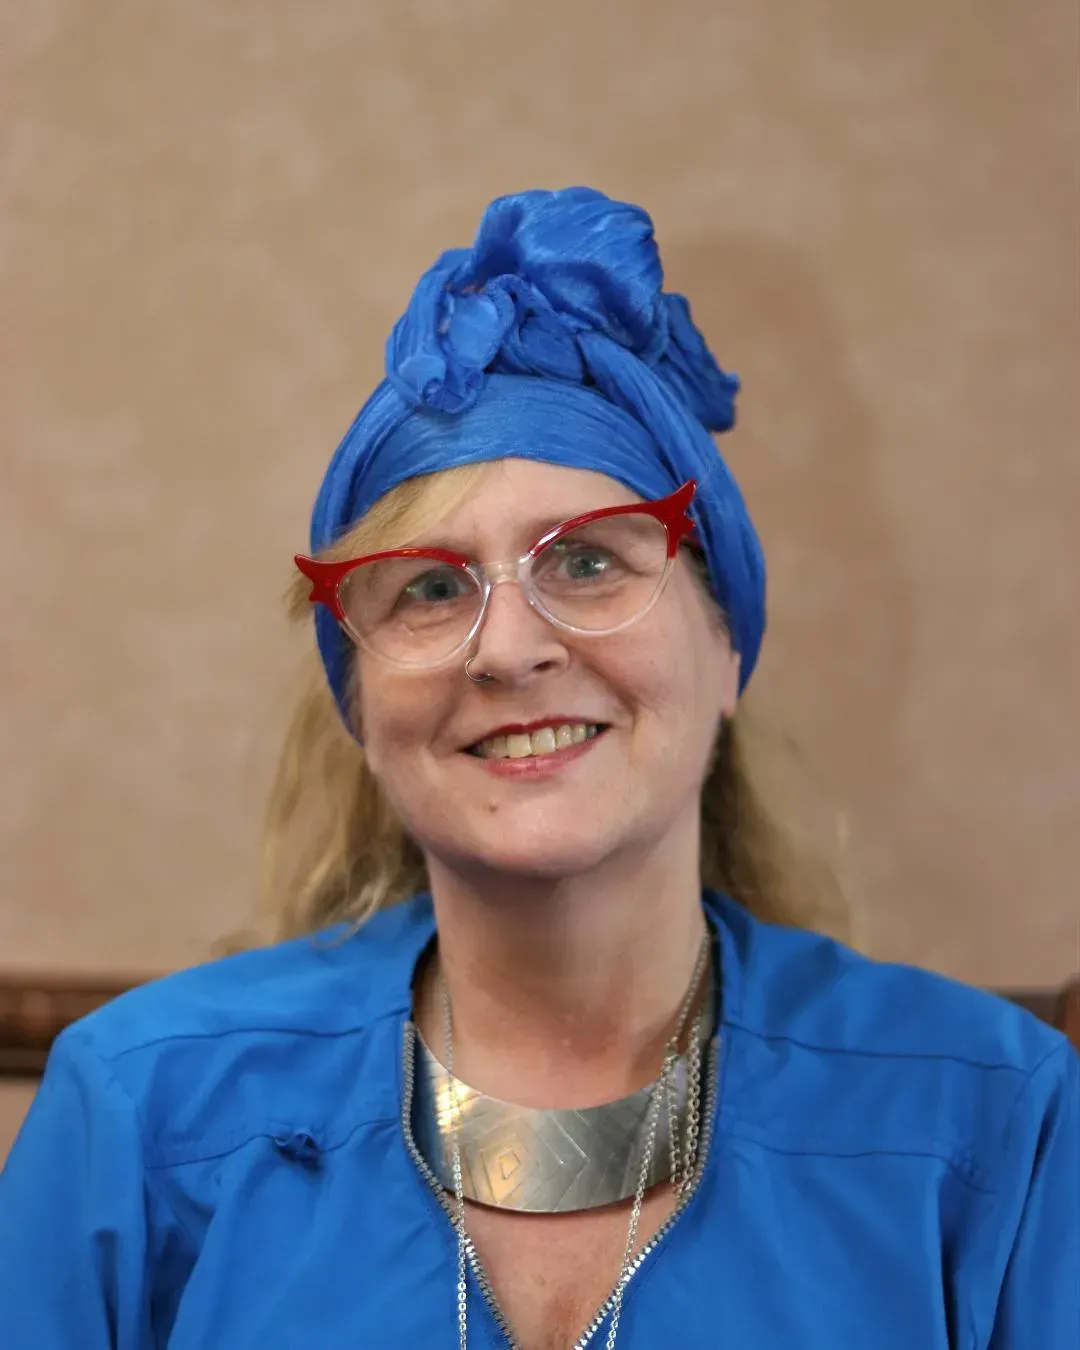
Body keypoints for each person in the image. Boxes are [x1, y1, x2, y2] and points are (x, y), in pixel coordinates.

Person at [0, 187, 1075, 1350]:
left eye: (591, 563)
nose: (509, 649)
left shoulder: (996, 1120)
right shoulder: (136, 1115)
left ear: (726, 646)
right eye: (430, 587)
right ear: (357, 699)